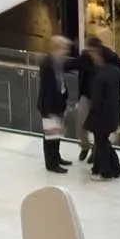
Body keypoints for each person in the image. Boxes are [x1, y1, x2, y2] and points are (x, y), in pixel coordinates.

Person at [83, 45, 120, 181]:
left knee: (101, 142)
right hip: (113, 114)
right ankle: (113, 167)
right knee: (103, 141)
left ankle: (105, 172)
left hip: (101, 116)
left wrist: (90, 118)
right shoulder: (116, 71)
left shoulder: (99, 76)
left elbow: (96, 100)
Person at [38, 36, 72, 174]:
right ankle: (51, 164)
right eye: (65, 48)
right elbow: (48, 89)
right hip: (49, 106)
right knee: (50, 136)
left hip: (58, 104)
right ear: (57, 48)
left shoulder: (58, 62)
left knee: (56, 134)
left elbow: (61, 83)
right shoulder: (47, 64)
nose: (67, 51)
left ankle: (56, 157)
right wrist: (50, 110)